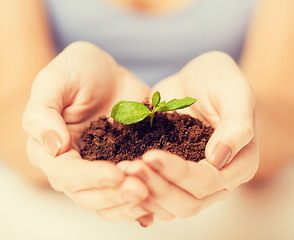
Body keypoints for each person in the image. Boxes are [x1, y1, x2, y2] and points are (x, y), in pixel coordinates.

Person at [0, 0, 293, 228]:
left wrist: (239, 125)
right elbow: (10, 102)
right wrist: (49, 128)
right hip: (55, 219)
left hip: (243, 217)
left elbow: (282, 111)